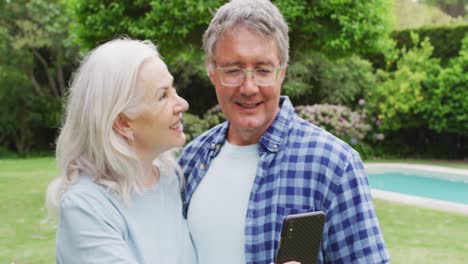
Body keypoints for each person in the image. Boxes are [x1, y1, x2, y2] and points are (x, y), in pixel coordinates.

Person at [178, 0, 391, 263]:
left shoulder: (334, 165)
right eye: (233, 70)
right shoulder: (190, 160)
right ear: (211, 71)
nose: (248, 87)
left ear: (282, 73)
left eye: (263, 70)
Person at [45, 38, 196, 264]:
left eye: (173, 89)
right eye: (162, 96)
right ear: (123, 123)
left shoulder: (173, 180)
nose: (182, 104)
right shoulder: (86, 207)